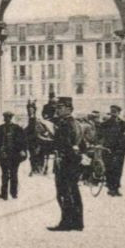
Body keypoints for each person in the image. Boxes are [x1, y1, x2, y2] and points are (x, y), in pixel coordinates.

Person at [48, 97, 85, 232]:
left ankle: (66, 222)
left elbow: (63, 144)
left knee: (64, 192)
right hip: (73, 161)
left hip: (65, 162)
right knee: (74, 191)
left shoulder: (64, 124)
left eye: (60, 107)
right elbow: (81, 144)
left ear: (69, 108)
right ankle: (77, 222)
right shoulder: (76, 123)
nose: (57, 109)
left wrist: (47, 143)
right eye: (57, 107)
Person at [98, 104, 125, 196]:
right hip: (108, 151)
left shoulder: (123, 124)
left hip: (119, 152)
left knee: (118, 170)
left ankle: (116, 188)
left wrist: (124, 150)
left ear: (118, 113)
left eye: (115, 112)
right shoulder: (105, 124)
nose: (113, 113)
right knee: (109, 169)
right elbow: (99, 136)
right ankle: (110, 188)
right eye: (112, 111)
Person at [0, 111, 26, 201]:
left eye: (8, 117)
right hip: (3, 155)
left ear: (11, 118)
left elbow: (23, 141)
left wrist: (22, 151)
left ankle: (13, 193)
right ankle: (4, 194)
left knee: (13, 174)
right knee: (4, 174)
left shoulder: (18, 128)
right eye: (5, 117)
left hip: (14, 156)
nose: (7, 119)